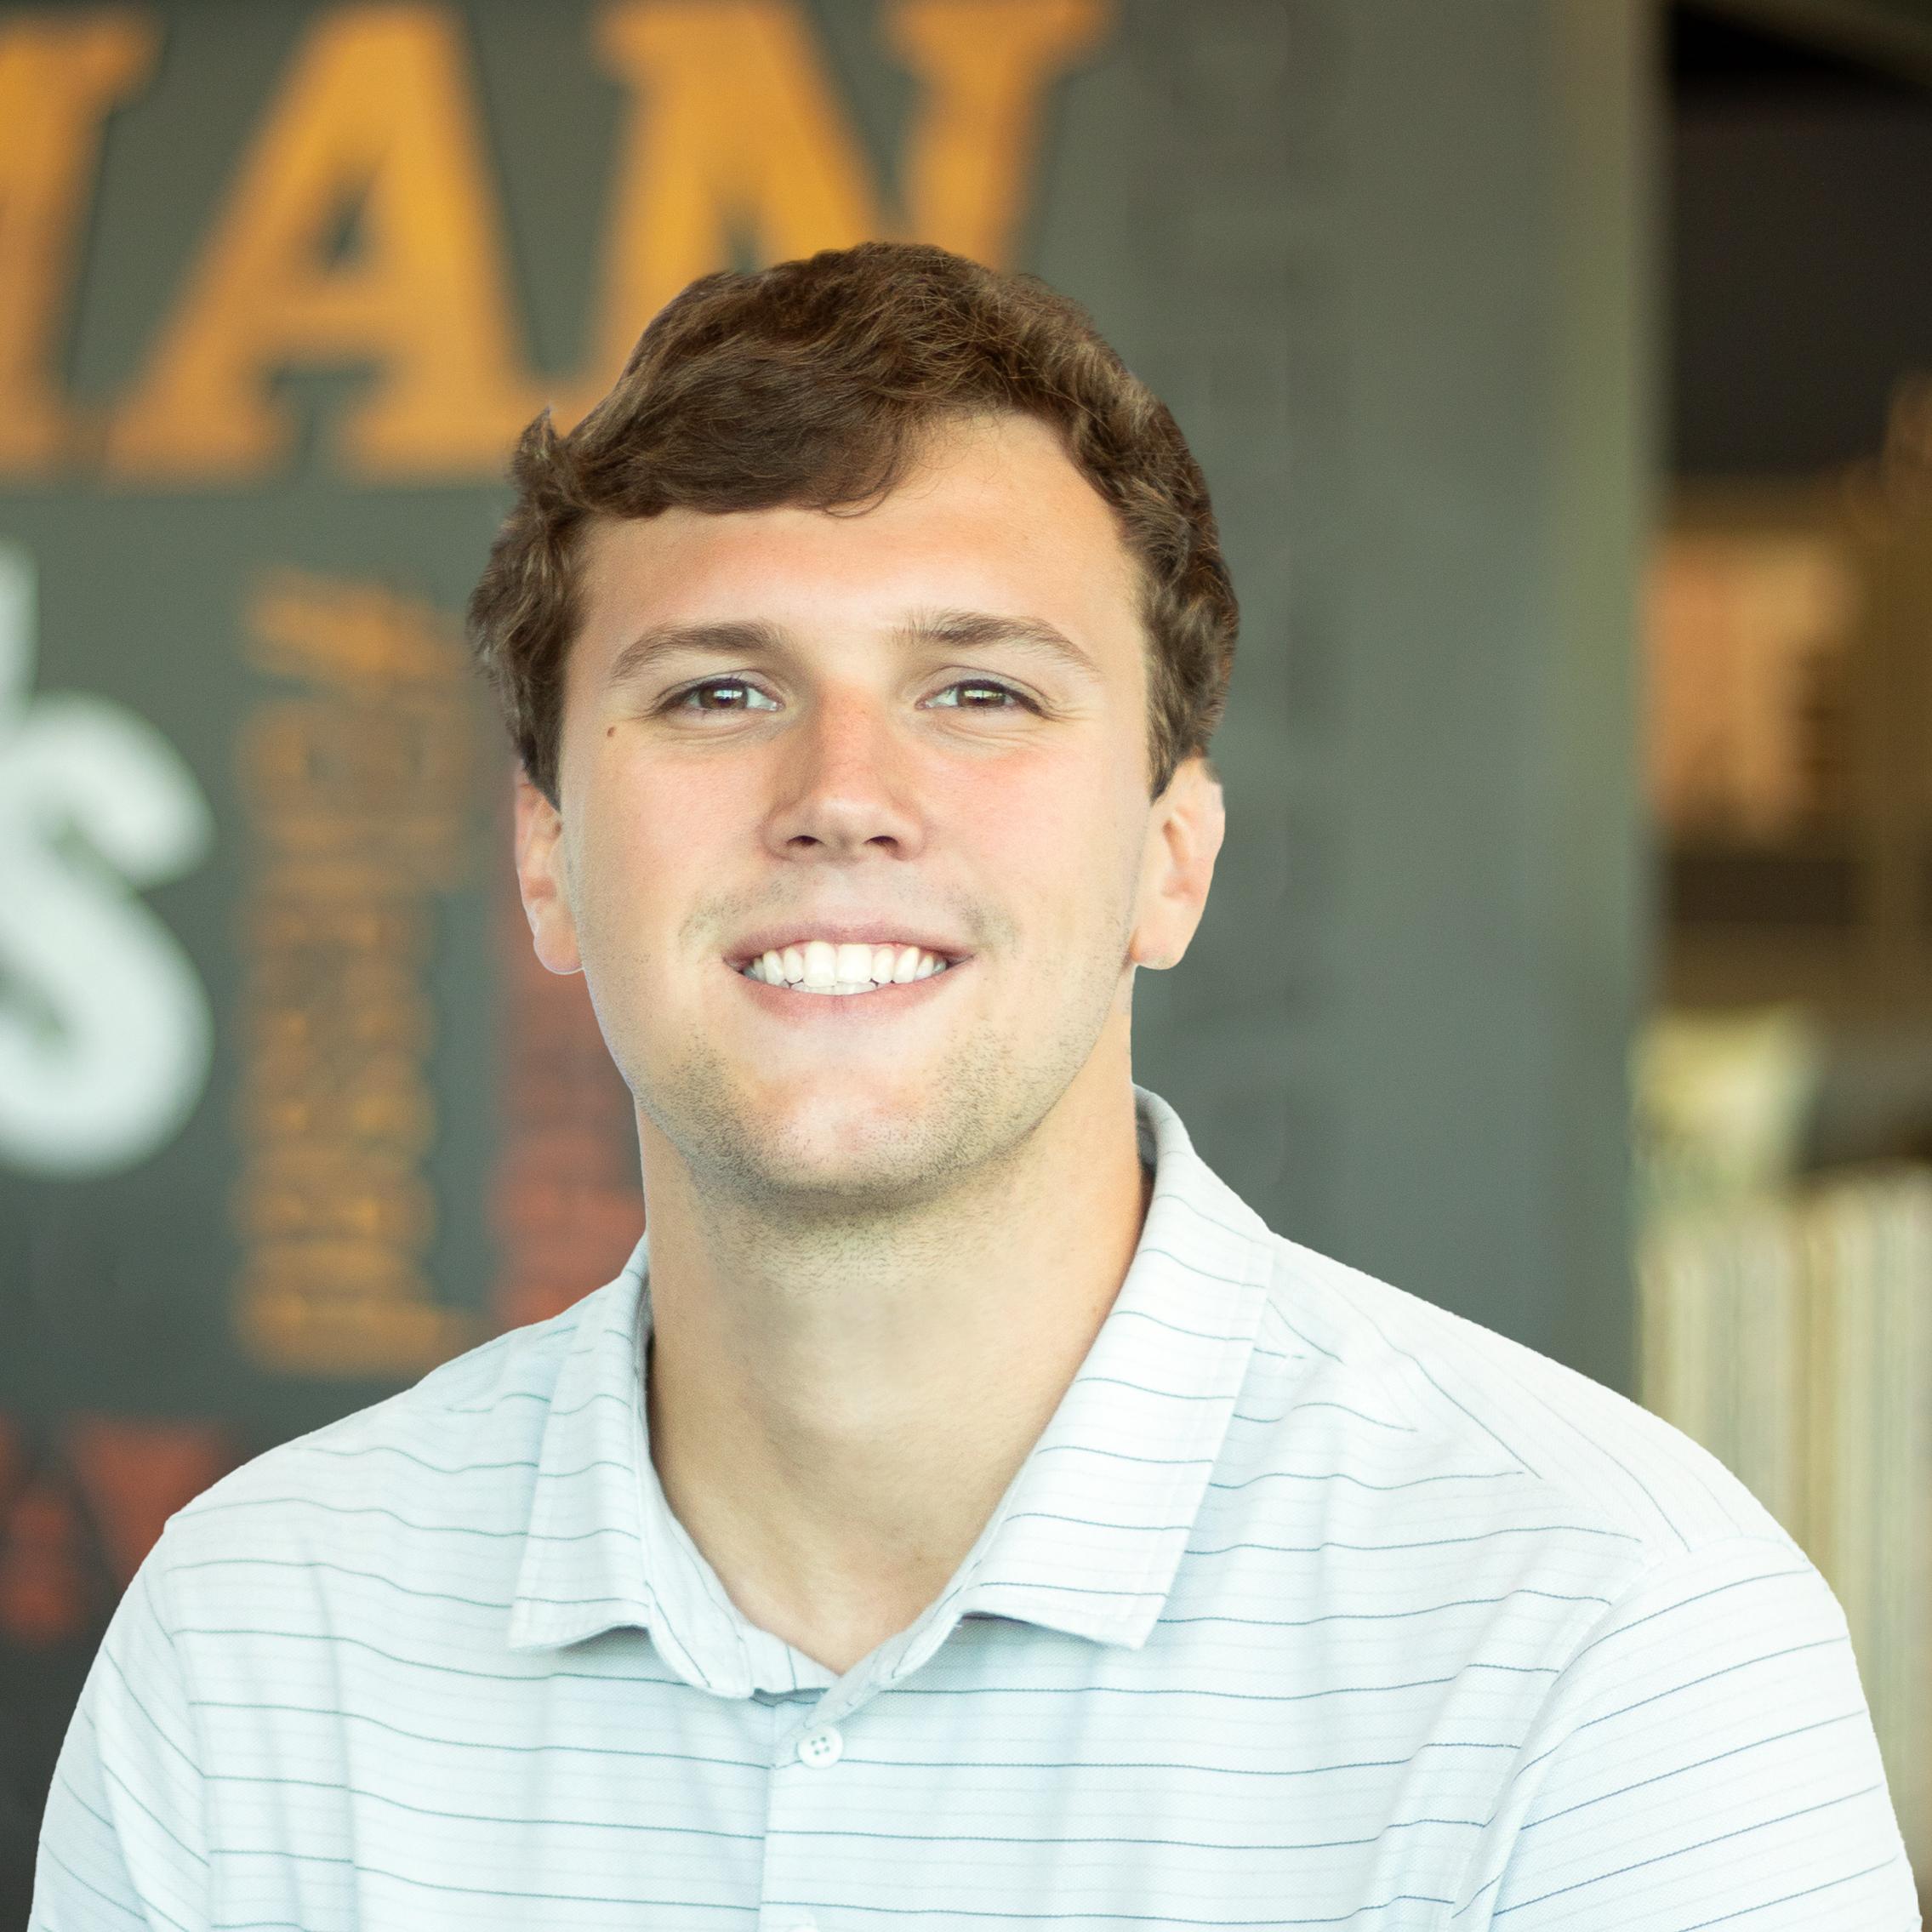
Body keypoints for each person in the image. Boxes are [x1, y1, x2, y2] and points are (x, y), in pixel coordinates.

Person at [31, 240, 1918, 1931]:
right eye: (715, 691)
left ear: (1169, 857)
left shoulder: (1606, 1632)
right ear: (545, 859)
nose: (842, 788)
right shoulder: (252, 1642)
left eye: (979, 691)